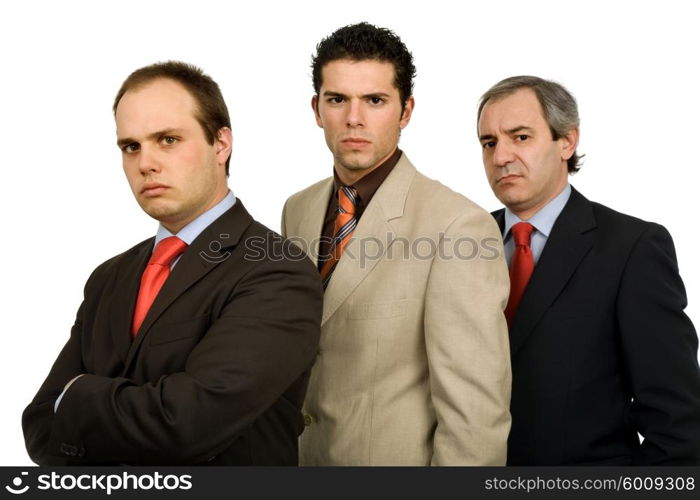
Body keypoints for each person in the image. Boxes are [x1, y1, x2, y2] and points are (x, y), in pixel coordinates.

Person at [22, 61, 322, 465]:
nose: (145, 163)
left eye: (167, 140)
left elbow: (187, 425)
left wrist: (76, 396)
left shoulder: (275, 270)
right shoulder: (109, 277)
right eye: (131, 146)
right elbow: (40, 426)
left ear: (221, 144)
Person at [281, 22, 512, 465]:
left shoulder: (459, 226)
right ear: (316, 108)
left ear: (405, 111)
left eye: (374, 100)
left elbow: (475, 418)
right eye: (337, 100)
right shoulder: (299, 209)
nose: (354, 118)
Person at [477, 75, 700, 465]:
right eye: (489, 142)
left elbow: (678, 421)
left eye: (521, 137)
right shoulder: (463, 243)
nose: (500, 157)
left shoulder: (632, 248)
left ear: (567, 141)